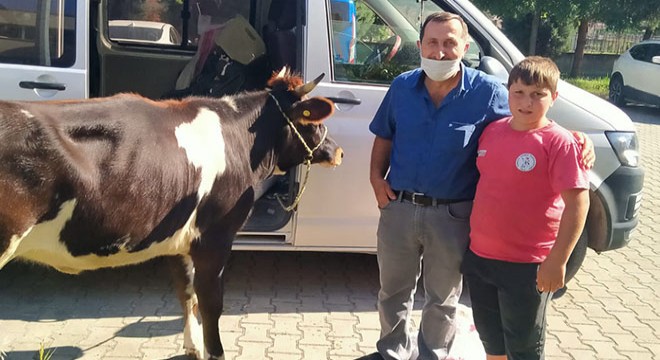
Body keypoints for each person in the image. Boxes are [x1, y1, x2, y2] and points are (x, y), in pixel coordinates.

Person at [366, 12, 593, 360]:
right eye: (433, 42)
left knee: (443, 297)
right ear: (420, 45)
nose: (440, 52)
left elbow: (528, 116)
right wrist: (375, 178)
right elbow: (385, 134)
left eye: (449, 43)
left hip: (452, 214)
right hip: (399, 207)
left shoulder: (486, 92)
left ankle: (433, 354)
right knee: (392, 291)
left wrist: (573, 137)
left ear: (465, 47)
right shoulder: (401, 87)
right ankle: (392, 352)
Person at [461, 56, 590, 360]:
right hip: (480, 259)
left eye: (538, 94)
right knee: (492, 343)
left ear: (554, 98)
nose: (526, 102)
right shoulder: (492, 131)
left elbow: (577, 203)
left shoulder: (559, 142)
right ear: (507, 92)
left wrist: (558, 260)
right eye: (518, 92)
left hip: (527, 266)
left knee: (523, 348)